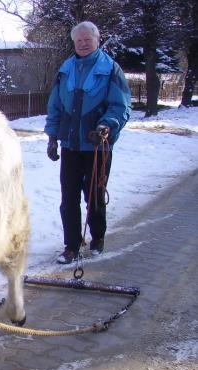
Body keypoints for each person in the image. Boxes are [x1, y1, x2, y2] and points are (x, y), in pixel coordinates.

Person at [44, 21, 131, 264]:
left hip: (97, 146)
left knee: (94, 197)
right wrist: (52, 137)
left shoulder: (110, 69)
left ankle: (98, 237)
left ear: (97, 39)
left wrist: (106, 125)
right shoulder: (66, 68)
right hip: (71, 146)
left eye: (87, 39)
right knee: (68, 198)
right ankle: (71, 246)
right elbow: (55, 106)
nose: (83, 44)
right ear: (74, 42)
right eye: (78, 40)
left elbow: (120, 106)